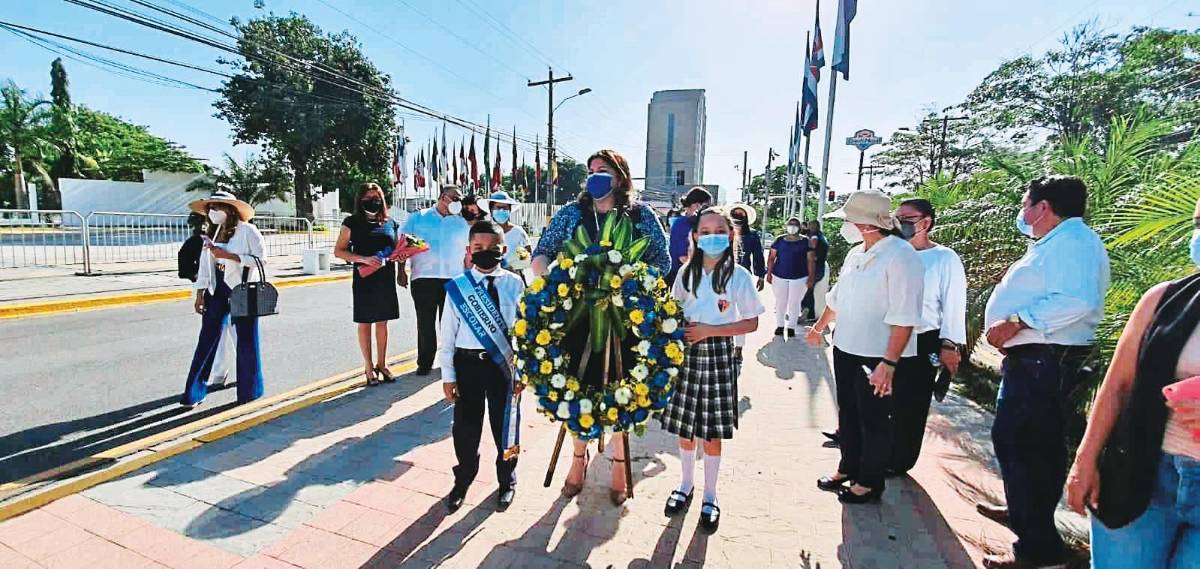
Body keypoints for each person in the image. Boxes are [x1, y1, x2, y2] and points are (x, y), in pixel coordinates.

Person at [979, 175, 1110, 569]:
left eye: (1025, 204)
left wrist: (1018, 320)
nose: (1022, 212)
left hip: (1046, 359)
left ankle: (1038, 550)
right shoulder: (1060, 243)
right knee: (1034, 449)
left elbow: (1078, 300)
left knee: (1024, 446)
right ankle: (1027, 513)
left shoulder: (1074, 243)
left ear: (1042, 207)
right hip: (1037, 360)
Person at [1065, 196, 1200, 569]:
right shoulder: (1165, 300)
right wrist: (1085, 458)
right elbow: (1119, 384)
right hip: (1142, 474)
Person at [531, 149, 669, 505]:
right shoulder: (572, 213)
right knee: (577, 387)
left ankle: (621, 464)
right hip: (578, 319)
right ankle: (579, 459)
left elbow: (662, 260)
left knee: (622, 389)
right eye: (591, 171)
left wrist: (630, 282)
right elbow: (542, 254)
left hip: (626, 321)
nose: (595, 177)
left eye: (603, 170)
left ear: (621, 177)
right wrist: (557, 281)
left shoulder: (640, 216)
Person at [805, 190, 925, 504]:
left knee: (873, 419)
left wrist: (890, 363)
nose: (847, 226)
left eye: (850, 220)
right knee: (849, 414)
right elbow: (837, 298)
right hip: (846, 347)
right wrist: (819, 328)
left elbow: (905, 315)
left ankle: (869, 481)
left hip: (878, 353)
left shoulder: (901, 255)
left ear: (868, 224)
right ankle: (849, 466)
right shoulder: (856, 253)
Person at [661, 207, 765, 532]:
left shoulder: (739, 276)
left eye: (718, 230)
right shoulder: (685, 274)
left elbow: (751, 321)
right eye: (704, 232)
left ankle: (710, 496)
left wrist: (710, 330)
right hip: (686, 354)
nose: (711, 237)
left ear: (730, 234)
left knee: (711, 431)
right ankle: (685, 484)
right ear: (695, 236)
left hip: (719, 354)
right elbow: (672, 310)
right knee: (685, 426)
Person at [438, 220, 525, 512]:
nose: (485, 252)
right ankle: (463, 478)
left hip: (502, 366)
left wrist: (522, 371)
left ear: (503, 250)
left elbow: (524, 333)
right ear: (468, 250)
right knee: (465, 427)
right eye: (478, 248)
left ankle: (507, 480)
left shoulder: (514, 284)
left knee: (506, 427)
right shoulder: (458, 288)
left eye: (492, 248)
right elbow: (446, 337)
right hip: (468, 366)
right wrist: (448, 377)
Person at [889, 199, 967, 474]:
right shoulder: (892, 252)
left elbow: (954, 304)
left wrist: (949, 343)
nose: (901, 223)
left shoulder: (944, 258)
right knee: (882, 396)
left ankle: (899, 460)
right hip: (887, 336)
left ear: (926, 222)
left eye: (908, 218)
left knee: (911, 403)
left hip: (923, 339)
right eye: (897, 217)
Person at [181, 191, 266, 408]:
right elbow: (203, 265)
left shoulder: (248, 230)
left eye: (217, 207)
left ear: (230, 209)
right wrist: (200, 293)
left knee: (247, 340)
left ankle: (250, 390)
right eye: (210, 208)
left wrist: (228, 256)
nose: (213, 212)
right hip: (215, 290)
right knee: (206, 339)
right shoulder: (213, 231)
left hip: (242, 289)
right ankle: (194, 392)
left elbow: (261, 260)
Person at [334, 183, 402, 385]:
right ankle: (368, 366)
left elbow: (397, 250)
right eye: (368, 197)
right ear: (360, 200)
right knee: (365, 322)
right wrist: (363, 259)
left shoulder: (390, 223)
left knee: (383, 322)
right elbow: (339, 251)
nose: (373, 201)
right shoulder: (351, 223)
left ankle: (382, 363)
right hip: (365, 278)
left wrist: (401, 266)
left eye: (376, 197)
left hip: (385, 279)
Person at [399, 185, 470, 376]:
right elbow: (403, 244)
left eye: (459, 199)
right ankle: (425, 362)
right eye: (454, 198)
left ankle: (451, 362)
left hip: (453, 278)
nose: (457, 202)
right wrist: (401, 270)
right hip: (424, 277)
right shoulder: (418, 217)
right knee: (425, 323)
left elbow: (467, 253)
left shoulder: (462, 223)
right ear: (443, 197)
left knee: (450, 324)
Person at [728, 203, 765, 362]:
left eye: (740, 214)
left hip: (744, 278)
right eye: (734, 214)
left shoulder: (752, 236)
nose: (737, 217)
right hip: (724, 276)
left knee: (743, 315)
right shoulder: (725, 233)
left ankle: (738, 347)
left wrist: (761, 275)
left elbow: (758, 256)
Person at [767, 217, 810, 337]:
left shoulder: (805, 241)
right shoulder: (779, 240)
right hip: (779, 275)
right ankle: (780, 325)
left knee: (794, 303)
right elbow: (771, 257)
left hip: (799, 277)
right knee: (781, 302)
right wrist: (769, 273)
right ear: (786, 226)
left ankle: (791, 327)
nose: (792, 226)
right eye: (790, 224)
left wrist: (811, 276)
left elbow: (811, 259)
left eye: (795, 224)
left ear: (800, 227)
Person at [667, 187, 713, 286]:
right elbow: (683, 257)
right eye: (705, 206)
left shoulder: (695, 222)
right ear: (696, 204)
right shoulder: (683, 224)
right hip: (682, 276)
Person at [486, 191, 531, 274]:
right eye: (498, 208)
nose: (501, 210)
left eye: (505, 208)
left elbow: (528, 254)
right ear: (491, 210)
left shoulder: (518, 232)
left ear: (510, 210)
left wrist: (516, 266)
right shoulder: (484, 231)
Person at [802, 220, 830, 322]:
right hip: (821, 267)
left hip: (815, 268)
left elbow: (812, 248)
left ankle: (807, 311)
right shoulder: (822, 236)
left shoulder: (814, 236)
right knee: (814, 291)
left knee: (807, 290)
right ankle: (812, 314)